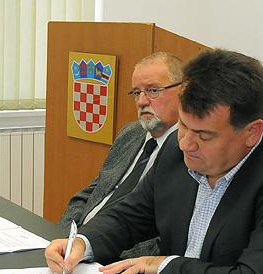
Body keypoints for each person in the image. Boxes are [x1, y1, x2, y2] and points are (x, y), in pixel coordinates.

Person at [45, 49, 263, 274]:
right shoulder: (175, 149)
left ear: (252, 133)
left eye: (204, 136)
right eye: (184, 125)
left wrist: (161, 265)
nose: (185, 144)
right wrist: (82, 243)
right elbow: (130, 217)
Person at [58, 52, 182, 257]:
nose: (141, 101)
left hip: (118, 260)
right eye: (136, 92)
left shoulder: (188, 153)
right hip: (78, 247)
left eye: (153, 90)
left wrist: (107, 260)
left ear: (183, 91)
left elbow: (165, 237)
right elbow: (90, 193)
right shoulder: (131, 133)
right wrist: (66, 238)